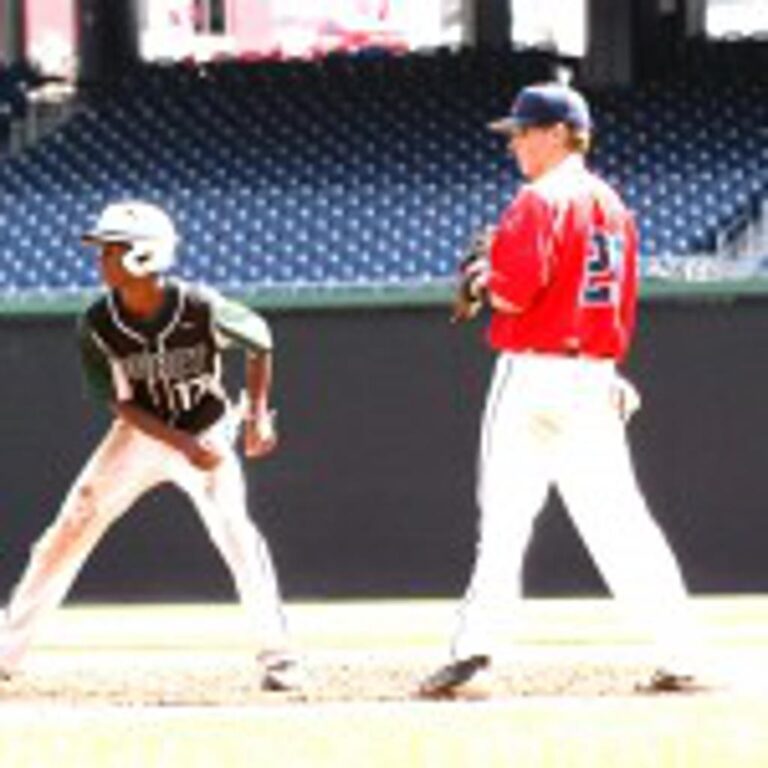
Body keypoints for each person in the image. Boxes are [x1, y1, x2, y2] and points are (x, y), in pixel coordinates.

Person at [419, 82, 708, 697]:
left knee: (503, 521)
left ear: (557, 134)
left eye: (523, 131)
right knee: (623, 524)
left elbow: (512, 292)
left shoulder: (539, 199)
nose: (514, 143)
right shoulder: (613, 206)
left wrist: (480, 276)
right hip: (593, 376)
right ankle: (684, 656)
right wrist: (603, 369)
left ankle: (475, 656)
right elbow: (612, 300)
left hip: (533, 376)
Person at [0, 200, 301, 691]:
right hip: (143, 434)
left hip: (205, 427)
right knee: (69, 527)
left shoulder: (197, 305)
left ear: (144, 255)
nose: (101, 261)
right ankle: (7, 654)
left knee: (236, 535)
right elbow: (120, 404)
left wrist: (257, 414)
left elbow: (259, 338)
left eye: (111, 251)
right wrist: (180, 443)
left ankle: (279, 657)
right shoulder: (97, 323)